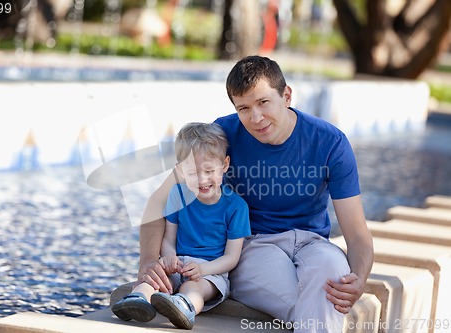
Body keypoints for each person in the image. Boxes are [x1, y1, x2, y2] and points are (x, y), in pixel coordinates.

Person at [136, 56, 374, 333]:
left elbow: (356, 233)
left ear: (286, 96)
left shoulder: (330, 143)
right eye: (244, 108)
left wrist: (359, 279)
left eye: (263, 103)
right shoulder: (221, 137)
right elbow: (160, 199)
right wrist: (149, 261)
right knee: (320, 303)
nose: (256, 118)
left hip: (312, 243)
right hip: (254, 246)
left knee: (335, 272)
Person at [113, 122, 251, 330]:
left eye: (209, 171)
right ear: (181, 171)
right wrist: (169, 258)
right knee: (155, 279)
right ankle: (138, 299)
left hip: (210, 271)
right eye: (193, 173)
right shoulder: (177, 195)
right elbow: (169, 238)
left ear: (224, 165)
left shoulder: (236, 207)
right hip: (179, 263)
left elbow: (231, 257)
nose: (203, 180)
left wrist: (203, 268)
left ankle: (184, 307)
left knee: (194, 288)